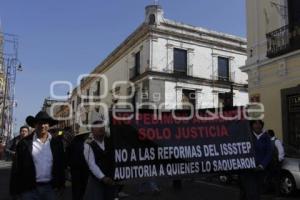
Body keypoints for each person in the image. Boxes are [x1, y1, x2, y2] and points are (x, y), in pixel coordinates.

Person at [9, 111, 65, 200]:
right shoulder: (24, 143)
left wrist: (61, 185)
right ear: (35, 125)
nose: (42, 126)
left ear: (49, 125)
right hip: (29, 189)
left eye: (45, 123)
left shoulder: (57, 143)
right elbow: (16, 167)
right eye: (39, 123)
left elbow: (61, 165)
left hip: (50, 188)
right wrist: (14, 191)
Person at [239, 120, 273, 200]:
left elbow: (269, 153)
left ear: (262, 125)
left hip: (260, 170)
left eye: (259, 123)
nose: (257, 125)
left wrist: (262, 165)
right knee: (251, 191)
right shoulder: (247, 136)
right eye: (255, 123)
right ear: (252, 126)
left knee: (257, 191)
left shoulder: (266, 137)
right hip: (248, 169)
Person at [83, 120, 116, 200]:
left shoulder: (110, 142)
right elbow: (91, 164)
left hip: (111, 179)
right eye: (97, 127)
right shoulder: (88, 145)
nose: (101, 128)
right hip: (97, 181)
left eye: (102, 126)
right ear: (92, 130)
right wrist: (103, 177)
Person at [66, 126, 90, 200]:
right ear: (84, 135)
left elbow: (67, 155)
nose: (88, 136)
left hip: (74, 169)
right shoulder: (82, 145)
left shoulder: (73, 142)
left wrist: (69, 165)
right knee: (81, 190)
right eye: (87, 134)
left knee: (76, 189)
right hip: (82, 170)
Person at [266, 129, 285, 196]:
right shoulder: (269, 141)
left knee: (276, 178)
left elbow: (281, 151)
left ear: (270, 134)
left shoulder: (276, 141)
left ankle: (277, 193)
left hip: (275, 163)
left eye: (267, 134)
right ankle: (270, 191)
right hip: (270, 163)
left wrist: (279, 160)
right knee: (269, 177)